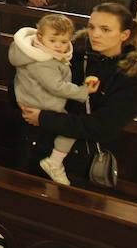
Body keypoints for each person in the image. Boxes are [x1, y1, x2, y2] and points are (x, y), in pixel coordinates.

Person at [18, 3, 137, 191]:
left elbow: (104, 125)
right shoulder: (71, 53)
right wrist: (23, 101)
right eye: (92, 27)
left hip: (79, 159)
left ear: (125, 35)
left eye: (105, 29)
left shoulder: (134, 74)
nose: (95, 34)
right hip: (38, 142)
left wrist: (43, 117)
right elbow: (29, 79)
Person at [9, 14, 99, 185]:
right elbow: (56, 86)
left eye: (64, 42)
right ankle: (54, 163)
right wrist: (83, 92)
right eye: (53, 41)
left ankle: (53, 163)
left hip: (35, 100)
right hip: (42, 104)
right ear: (40, 38)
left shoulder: (41, 53)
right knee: (71, 130)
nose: (59, 46)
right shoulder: (42, 61)